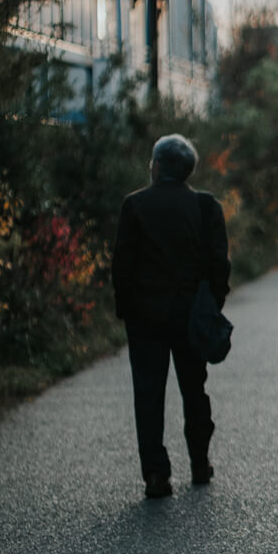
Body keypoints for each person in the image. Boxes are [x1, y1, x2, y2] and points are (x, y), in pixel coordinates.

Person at [111, 134, 230, 499]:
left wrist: (125, 310)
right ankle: (199, 462)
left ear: (158, 166)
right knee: (194, 389)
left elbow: (122, 266)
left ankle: (156, 475)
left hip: (145, 317)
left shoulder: (135, 205)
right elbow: (219, 265)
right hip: (190, 315)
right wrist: (212, 308)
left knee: (148, 394)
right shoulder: (206, 207)